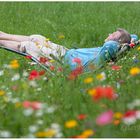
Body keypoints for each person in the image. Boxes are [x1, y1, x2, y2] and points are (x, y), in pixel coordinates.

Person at [0, 28, 132, 72]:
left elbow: (113, 45)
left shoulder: (108, 50)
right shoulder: (108, 49)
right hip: (65, 52)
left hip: (61, 61)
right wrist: (129, 42)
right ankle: (3, 34)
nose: (109, 35)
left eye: (113, 35)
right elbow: (133, 37)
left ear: (117, 42)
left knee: (29, 46)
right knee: (37, 37)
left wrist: (121, 43)